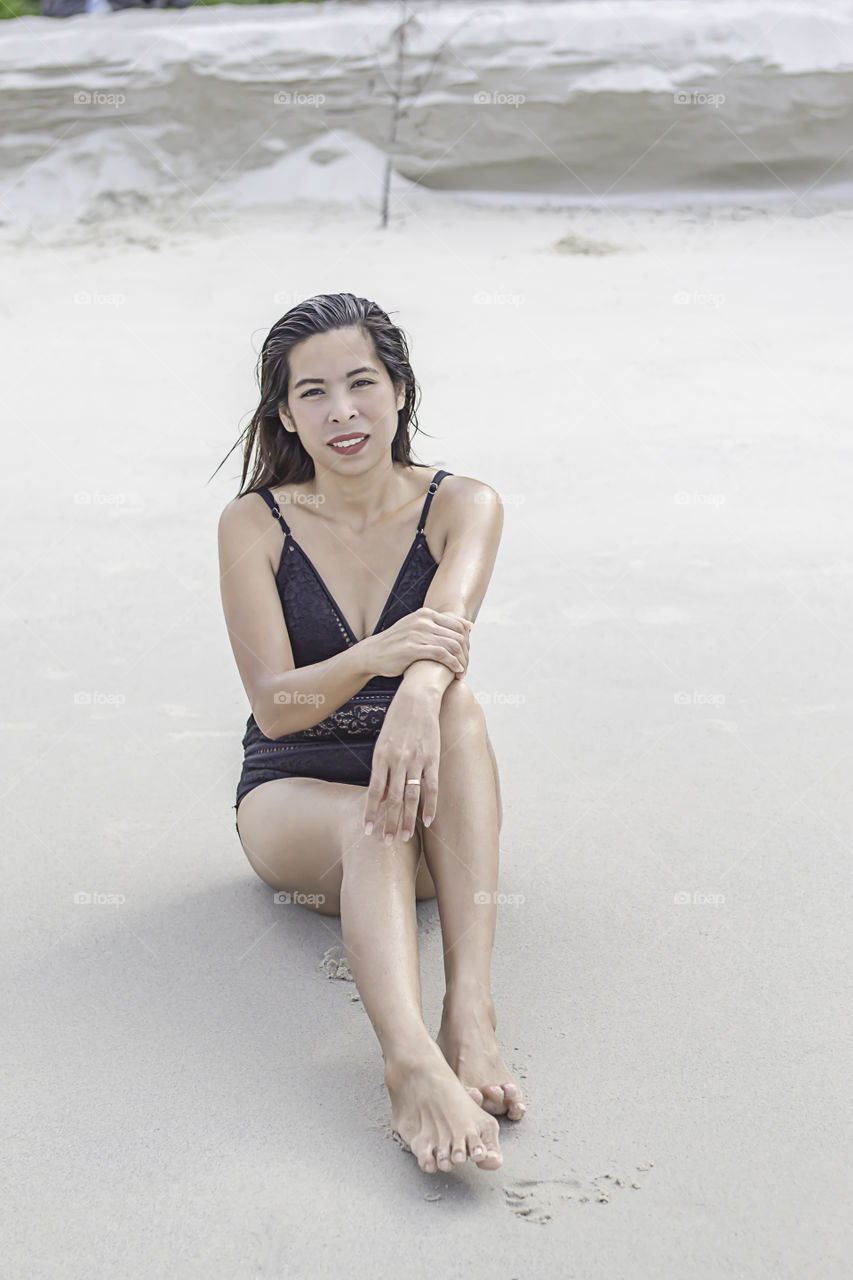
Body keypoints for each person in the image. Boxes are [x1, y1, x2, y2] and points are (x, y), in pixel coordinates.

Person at [215, 292, 525, 1175]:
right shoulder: (256, 521)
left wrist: (418, 688)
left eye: (361, 382)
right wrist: (385, 653)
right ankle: (408, 1061)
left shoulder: (464, 503)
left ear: (398, 389)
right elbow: (276, 705)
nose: (341, 411)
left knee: (453, 700)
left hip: (429, 794)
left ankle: (469, 1012)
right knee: (366, 823)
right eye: (312, 393)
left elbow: (449, 632)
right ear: (285, 413)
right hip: (296, 798)